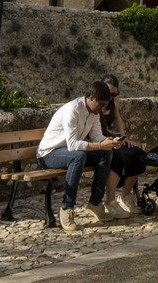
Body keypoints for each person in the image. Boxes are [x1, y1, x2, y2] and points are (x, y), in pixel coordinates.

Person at [37, 81, 125, 230]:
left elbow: (96, 136)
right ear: (90, 97)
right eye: (101, 104)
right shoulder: (72, 110)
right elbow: (72, 145)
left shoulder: (94, 112)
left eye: (105, 105)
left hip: (69, 153)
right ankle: (66, 208)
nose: (102, 108)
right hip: (49, 154)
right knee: (78, 156)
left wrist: (108, 142)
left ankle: (95, 203)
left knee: (106, 152)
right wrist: (100, 145)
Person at [99, 75, 148, 215]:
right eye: (109, 93)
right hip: (100, 139)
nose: (112, 96)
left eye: (115, 93)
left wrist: (122, 136)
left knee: (137, 154)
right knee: (118, 156)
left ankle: (125, 196)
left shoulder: (114, 99)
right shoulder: (97, 101)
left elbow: (117, 117)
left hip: (112, 137)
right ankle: (110, 202)